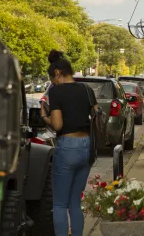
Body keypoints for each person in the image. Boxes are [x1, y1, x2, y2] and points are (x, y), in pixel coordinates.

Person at [40, 50, 98, 236]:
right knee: (75, 201)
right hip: (88, 146)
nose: (52, 83)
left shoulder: (56, 92)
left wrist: (44, 116)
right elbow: (96, 115)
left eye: (52, 79)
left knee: (59, 203)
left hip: (68, 146)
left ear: (57, 73)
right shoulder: (87, 90)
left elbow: (58, 125)